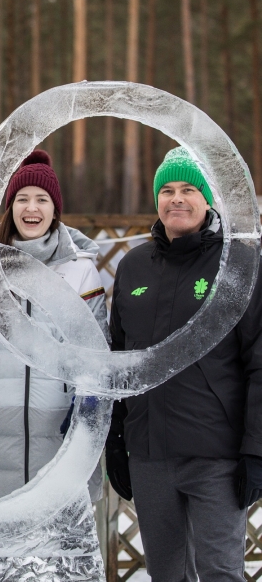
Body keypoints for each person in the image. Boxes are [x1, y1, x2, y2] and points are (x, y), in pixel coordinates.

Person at [105, 146, 262, 581]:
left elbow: (259, 364)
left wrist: (256, 449)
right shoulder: (133, 266)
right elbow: (119, 361)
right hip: (150, 454)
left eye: (188, 189)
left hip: (217, 457)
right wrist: (117, 440)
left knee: (219, 572)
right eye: (167, 189)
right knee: (166, 574)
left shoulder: (239, 265)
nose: (176, 198)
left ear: (207, 199)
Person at [0, 150, 106, 504]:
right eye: (22, 199)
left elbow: (95, 356)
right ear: (10, 207)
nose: (32, 209)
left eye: (42, 199)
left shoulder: (80, 272)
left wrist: (86, 408)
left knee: (61, 549)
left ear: (55, 208)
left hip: (60, 429)